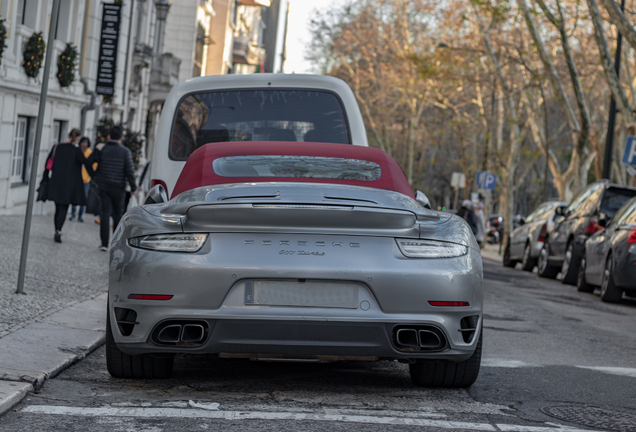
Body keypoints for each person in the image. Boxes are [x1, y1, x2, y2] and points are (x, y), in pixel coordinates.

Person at [90, 125, 137, 251]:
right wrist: (133, 188)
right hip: (119, 187)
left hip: (103, 186)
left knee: (105, 213)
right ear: (121, 137)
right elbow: (130, 171)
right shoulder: (125, 151)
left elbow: (89, 162)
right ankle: (115, 244)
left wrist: (94, 178)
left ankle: (104, 244)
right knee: (118, 214)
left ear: (109, 136)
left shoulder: (103, 149)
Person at [44, 129, 95, 243]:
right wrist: (95, 176)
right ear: (78, 138)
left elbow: (47, 163)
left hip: (56, 183)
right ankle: (58, 230)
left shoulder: (57, 147)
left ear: (68, 135)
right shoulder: (77, 151)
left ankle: (57, 229)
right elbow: (87, 163)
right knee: (63, 208)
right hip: (69, 185)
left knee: (58, 208)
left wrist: (45, 179)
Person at [69, 137, 93, 222]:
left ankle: (80, 216)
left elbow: (92, 166)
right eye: (83, 142)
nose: (84, 144)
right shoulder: (77, 151)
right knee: (74, 197)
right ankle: (73, 214)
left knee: (83, 198)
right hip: (76, 178)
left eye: (86, 142)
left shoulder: (90, 153)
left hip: (86, 180)